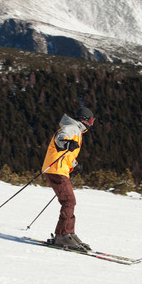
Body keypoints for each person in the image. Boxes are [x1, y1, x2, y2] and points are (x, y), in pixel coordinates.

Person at [42, 106, 95, 251]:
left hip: (58, 168)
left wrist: (74, 164)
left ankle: (68, 233)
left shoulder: (76, 130)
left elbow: (67, 153)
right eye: (91, 120)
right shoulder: (73, 128)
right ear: (84, 120)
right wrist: (67, 143)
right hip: (56, 169)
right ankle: (63, 235)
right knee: (69, 201)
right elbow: (61, 140)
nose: (91, 124)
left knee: (69, 201)